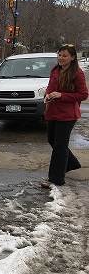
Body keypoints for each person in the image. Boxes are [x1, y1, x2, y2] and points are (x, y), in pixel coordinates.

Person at [41, 44, 88, 187]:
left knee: (60, 146)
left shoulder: (77, 73)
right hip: (53, 111)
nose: (60, 58)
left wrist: (62, 95)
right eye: (59, 55)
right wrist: (47, 95)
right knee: (52, 141)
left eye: (64, 56)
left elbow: (83, 94)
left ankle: (55, 179)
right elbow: (50, 86)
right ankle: (71, 163)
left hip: (67, 114)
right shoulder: (55, 70)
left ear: (72, 58)